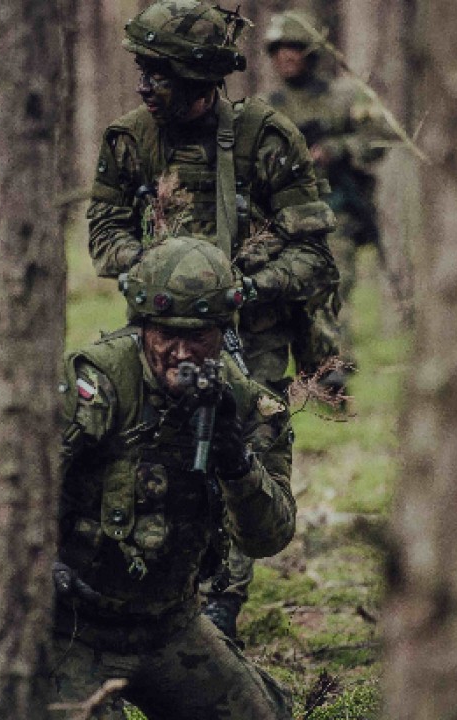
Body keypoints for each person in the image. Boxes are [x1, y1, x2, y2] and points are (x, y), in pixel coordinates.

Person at [86, 0, 338, 638]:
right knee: (156, 461)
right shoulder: (129, 139)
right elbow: (105, 232)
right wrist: (156, 274)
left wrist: (244, 290)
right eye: (142, 70)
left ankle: (222, 608)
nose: (145, 85)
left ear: (200, 79)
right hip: (156, 335)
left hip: (250, 342)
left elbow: (315, 256)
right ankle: (165, 593)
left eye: (159, 73)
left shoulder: (266, 138)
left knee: (240, 459)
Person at [51, 235, 295, 720]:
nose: (181, 352)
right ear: (142, 326)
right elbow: (13, 495)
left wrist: (236, 462)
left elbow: (270, 537)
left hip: (170, 624)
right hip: (74, 627)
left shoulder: (245, 404)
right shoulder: (99, 384)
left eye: (199, 336)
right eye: (166, 334)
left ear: (224, 333)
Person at [264, 11, 396, 387]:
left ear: (311, 53)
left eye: (295, 48)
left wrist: (338, 149)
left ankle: (334, 370)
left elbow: (383, 136)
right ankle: (306, 368)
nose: (287, 56)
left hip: (337, 212)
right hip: (283, 219)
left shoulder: (346, 96)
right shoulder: (265, 107)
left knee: (333, 289)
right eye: (279, 49)